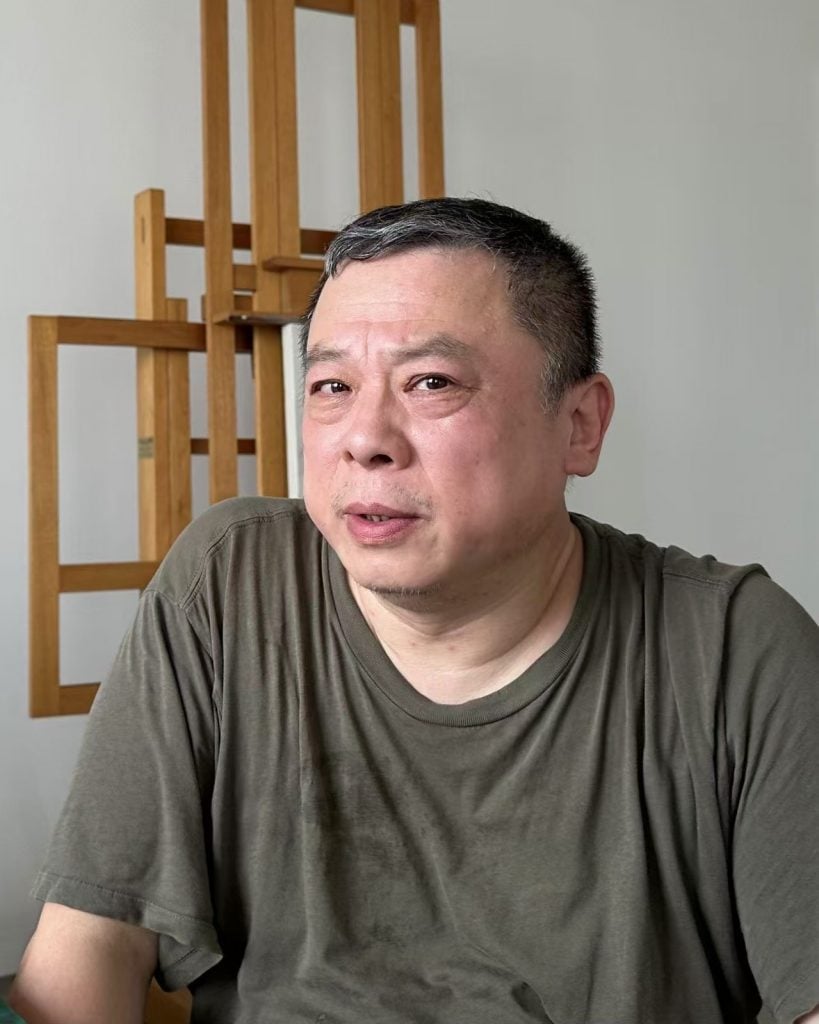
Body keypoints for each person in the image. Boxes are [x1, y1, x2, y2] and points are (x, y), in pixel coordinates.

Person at [10, 198, 819, 1024]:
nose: (364, 437)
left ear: (579, 425)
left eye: (430, 382)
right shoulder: (229, 584)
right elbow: (90, 947)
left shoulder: (731, 650)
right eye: (331, 386)